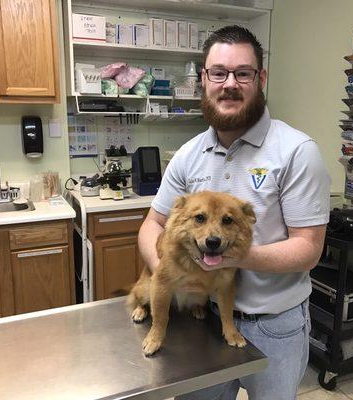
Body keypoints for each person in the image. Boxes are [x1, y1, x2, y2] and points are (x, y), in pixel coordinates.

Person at [138, 25, 331, 400]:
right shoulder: (187, 154)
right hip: (203, 320)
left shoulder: (296, 151)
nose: (230, 84)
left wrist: (229, 257)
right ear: (203, 80)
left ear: (260, 79)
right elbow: (153, 224)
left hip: (275, 325)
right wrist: (168, 271)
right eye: (218, 73)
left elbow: (309, 248)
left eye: (242, 73)